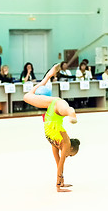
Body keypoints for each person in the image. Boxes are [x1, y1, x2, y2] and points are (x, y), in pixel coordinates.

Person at [24, 64, 80, 192]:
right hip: (58, 108)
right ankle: (73, 116)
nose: (68, 156)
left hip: (51, 110)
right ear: (71, 148)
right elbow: (61, 165)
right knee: (68, 109)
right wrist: (59, 186)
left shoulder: (56, 143)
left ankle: (48, 75)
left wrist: (61, 181)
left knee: (26, 97)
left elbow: (58, 163)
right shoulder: (65, 143)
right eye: (71, 155)